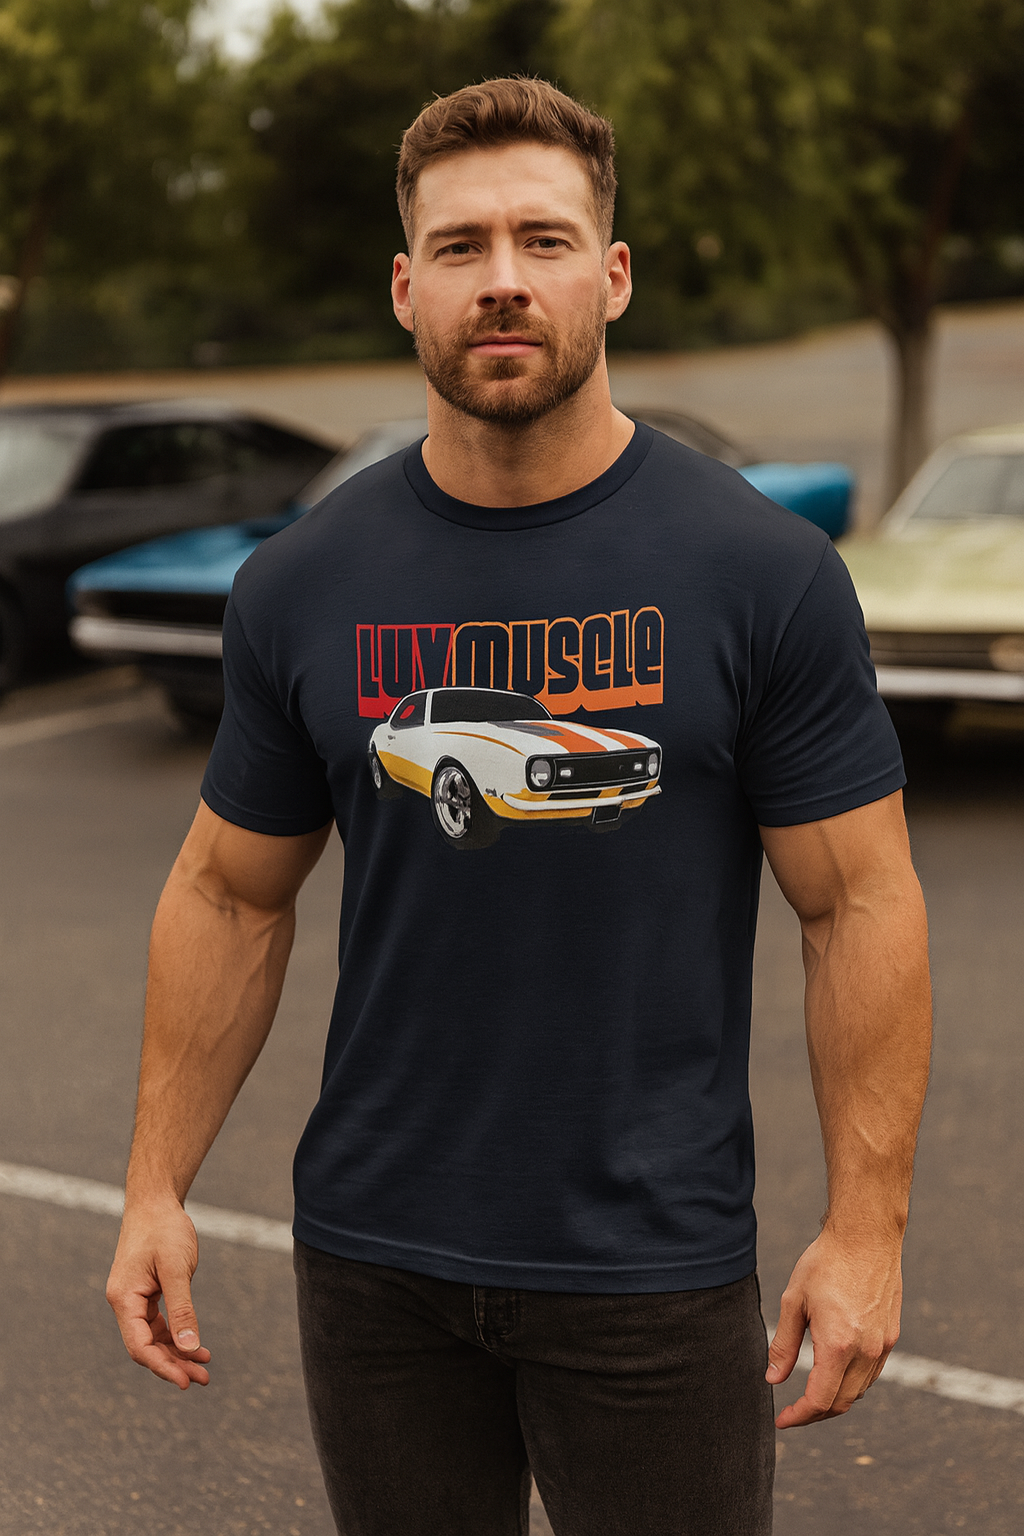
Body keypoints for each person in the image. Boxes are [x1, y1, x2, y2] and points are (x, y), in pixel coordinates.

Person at [106, 77, 932, 1536]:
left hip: (651, 1266)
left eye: (544, 241)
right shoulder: (302, 586)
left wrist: (868, 1229)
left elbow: (855, 901)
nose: (503, 280)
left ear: (610, 275)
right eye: (463, 245)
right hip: (373, 1264)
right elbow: (231, 890)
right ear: (405, 285)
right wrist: (155, 1188)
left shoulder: (761, 573)